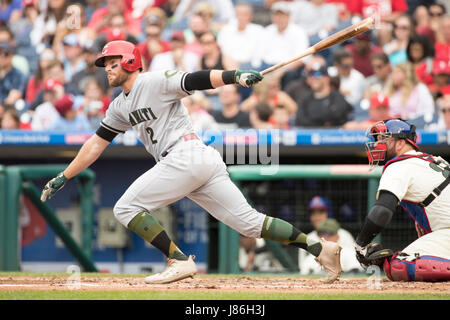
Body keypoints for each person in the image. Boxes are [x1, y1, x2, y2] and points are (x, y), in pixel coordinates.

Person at [40, 40, 342, 284]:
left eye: (112, 62)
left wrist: (234, 76)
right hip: (195, 161)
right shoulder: (119, 106)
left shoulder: (153, 81)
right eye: (105, 64)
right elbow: (95, 143)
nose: (107, 68)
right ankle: (320, 248)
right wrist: (64, 175)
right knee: (250, 224)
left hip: (185, 154)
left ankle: (179, 261)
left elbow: (195, 79)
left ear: (131, 61)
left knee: (125, 208)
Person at [356, 118, 450, 282]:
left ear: (400, 143)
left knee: (399, 265)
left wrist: (361, 244)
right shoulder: (430, 160)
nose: (377, 144)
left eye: (383, 139)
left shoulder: (399, 165)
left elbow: (383, 210)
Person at [299, 218, 363, 275]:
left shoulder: (348, 253)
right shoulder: (311, 258)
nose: (325, 238)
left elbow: (358, 272)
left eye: (329, 234)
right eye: (321, 234)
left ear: (338, 236)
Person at [217, 3, 264, 69]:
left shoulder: (259, 30)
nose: (241, 17)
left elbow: (259, 54)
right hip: (229, 64)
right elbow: (223, 50)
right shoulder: (226, 30)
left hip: (251, 66)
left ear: (251, 16)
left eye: (244, 14)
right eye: (238, 14)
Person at [0, 41, 26, 117]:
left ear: (12, 56)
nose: (2, 57)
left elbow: (14, 97)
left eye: (6, 54)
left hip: (9, 110)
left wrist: (2, 107)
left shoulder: (18, 75)